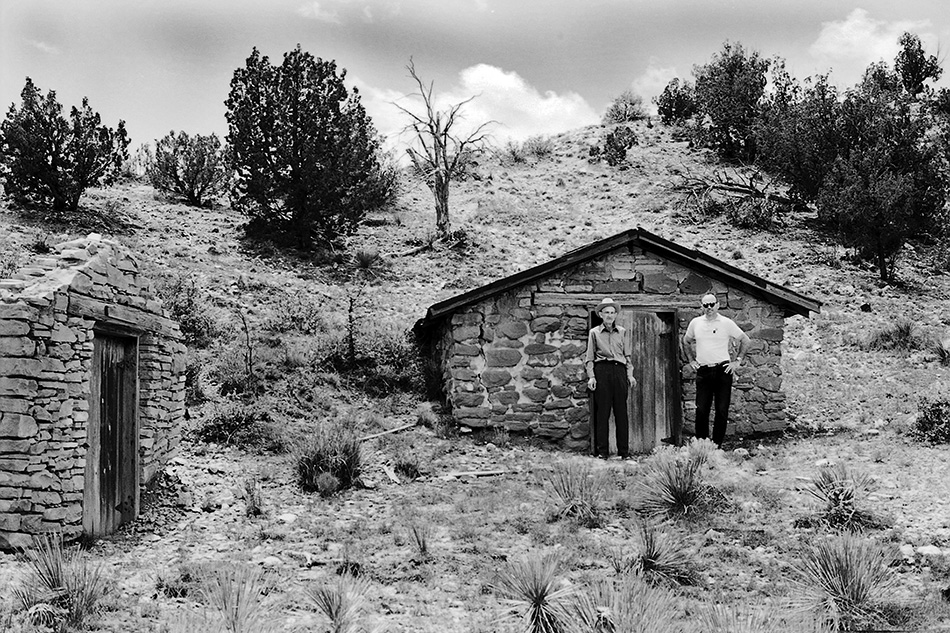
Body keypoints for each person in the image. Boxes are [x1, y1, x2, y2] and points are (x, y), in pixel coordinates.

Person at [681, 293, 752, 447]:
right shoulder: (695, 323)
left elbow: (745, 340)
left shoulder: (726, 323)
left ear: (718, 305)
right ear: (701, 306)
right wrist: (691, 360)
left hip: (723, 370)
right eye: (705, 305)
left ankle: (717, 445)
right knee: (701, 410)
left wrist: (737, 361)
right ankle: (703, 446)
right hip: (704, 371)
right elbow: (686, 341)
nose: (709, 308)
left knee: (721, 410)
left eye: (711, 304)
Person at [585, 298, 637, 459]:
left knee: (622, 413)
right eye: (606, 312)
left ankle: (624, 453)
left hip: (619, 371)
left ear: (616, 315)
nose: (609, 315)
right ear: (601, 314)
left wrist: (630, 375)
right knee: (603, 413)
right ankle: (602, 452)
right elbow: (589, 358)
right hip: (602, 371)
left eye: (612, 312)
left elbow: (627, 356)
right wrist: (591, 377)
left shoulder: (622, 331)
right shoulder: (594, 333)